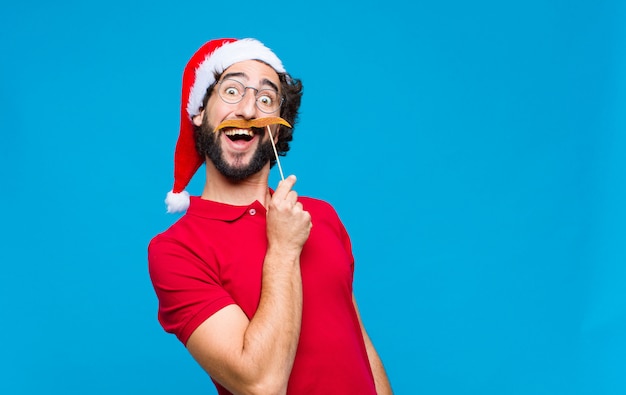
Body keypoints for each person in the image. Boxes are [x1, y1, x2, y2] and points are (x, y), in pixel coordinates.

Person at [148, 37, 393, 395]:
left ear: (278, 127)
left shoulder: (319, 216)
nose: (248, 110)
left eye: (265, 99)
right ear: (200, 110)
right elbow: (260, 384)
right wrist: (283, 249)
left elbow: (361, 346)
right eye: (232, 92)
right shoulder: (175, 251)